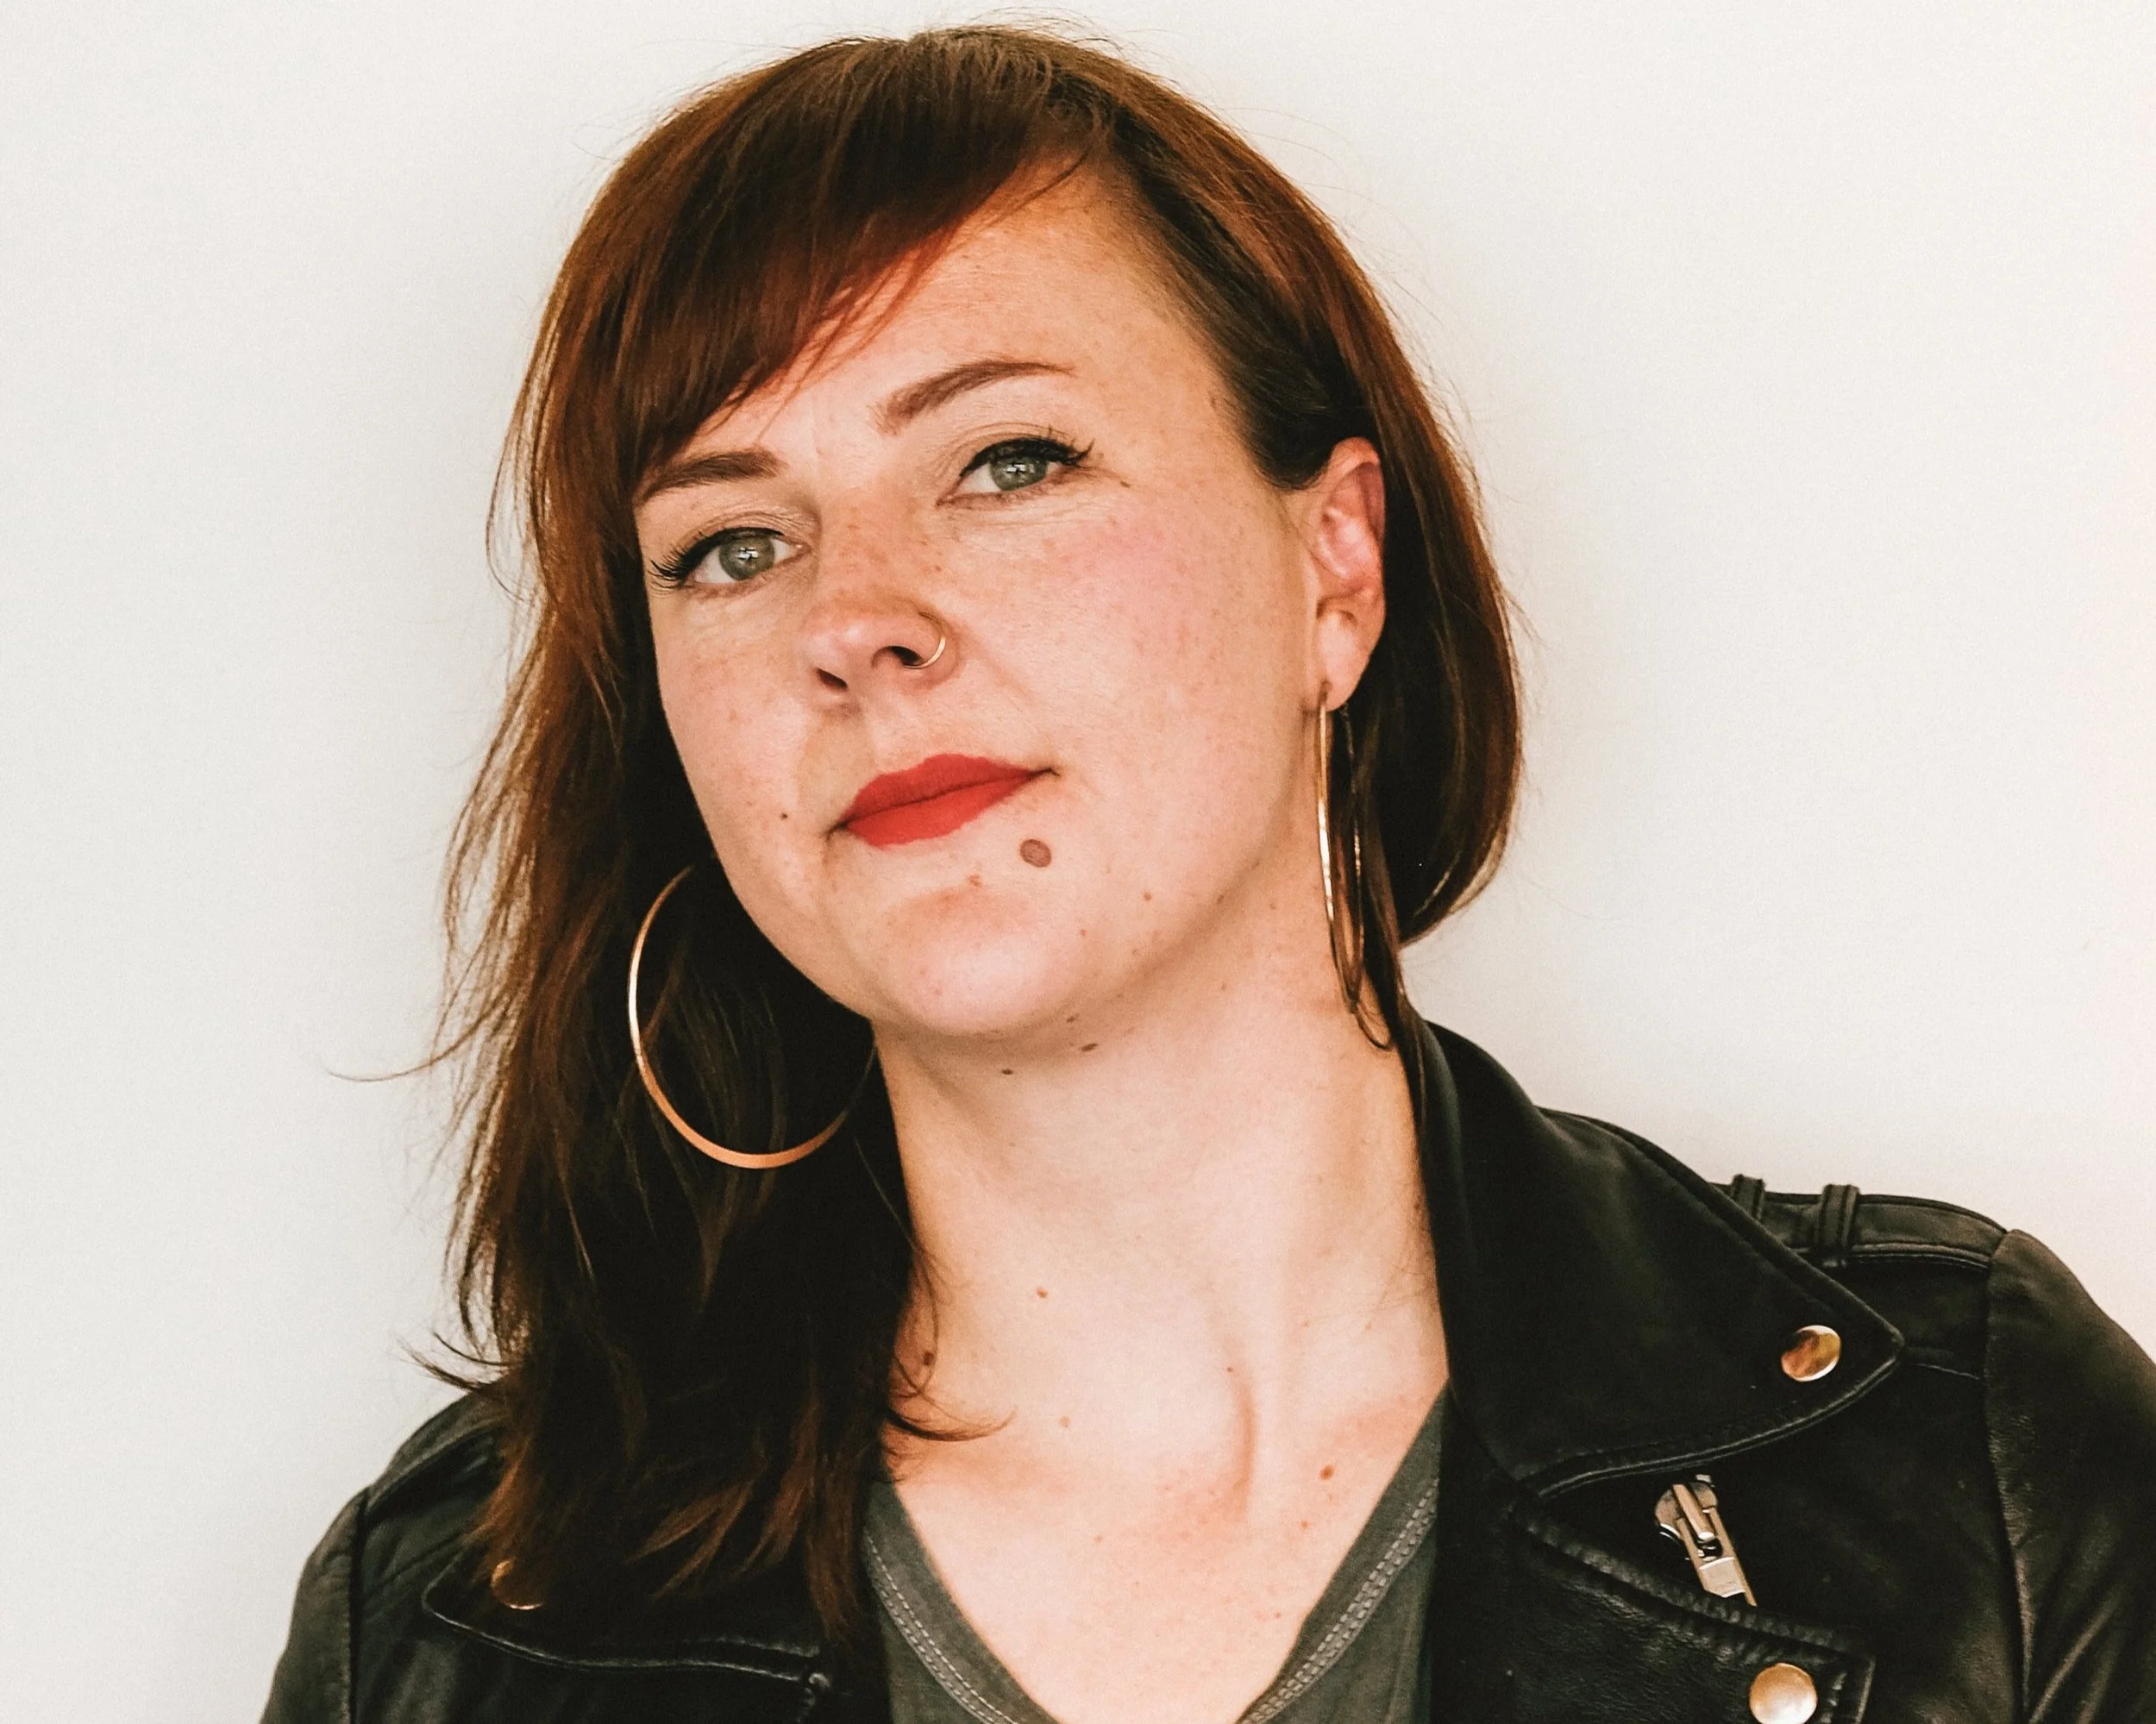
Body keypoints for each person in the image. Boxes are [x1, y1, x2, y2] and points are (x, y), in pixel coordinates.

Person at [262, 26, 2156, 1724]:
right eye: (730, 546)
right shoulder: (442, 1636)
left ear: (1331, 570)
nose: (854, 621)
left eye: (1008, 460)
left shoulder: (1961, 1452)